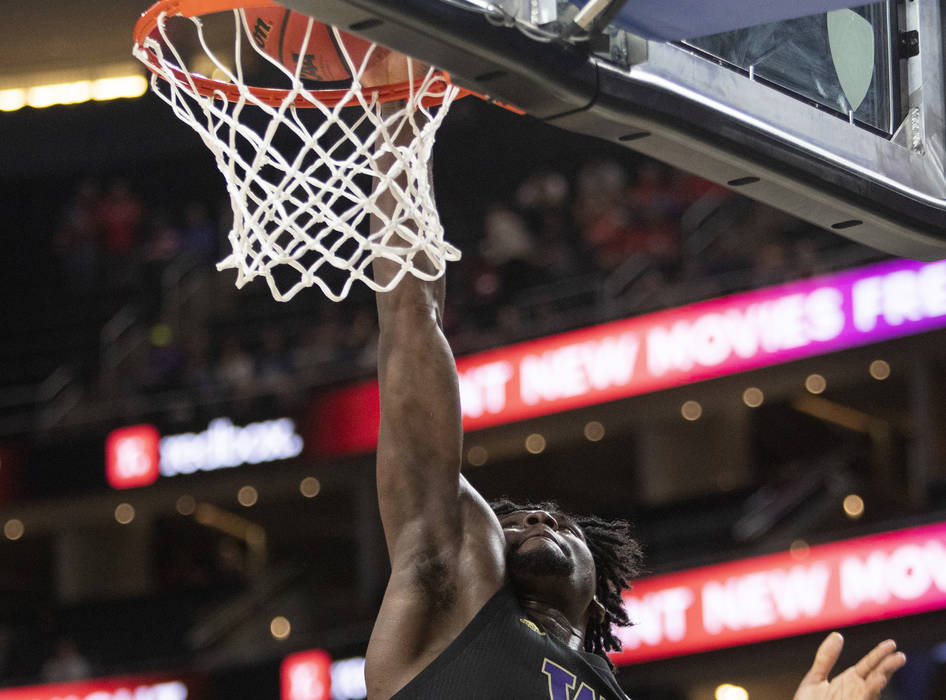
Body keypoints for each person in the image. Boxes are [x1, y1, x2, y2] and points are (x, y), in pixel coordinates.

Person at [361, 57, 907, 700]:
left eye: (560, 523)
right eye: (517, 522)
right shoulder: (450, 592)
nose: (538, 517)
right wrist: (397, 119)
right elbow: (411, 325)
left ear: (598, 603)